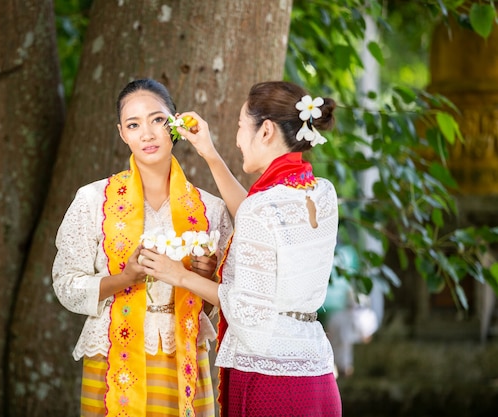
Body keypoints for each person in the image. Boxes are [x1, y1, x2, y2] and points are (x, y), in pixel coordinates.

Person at [139, 81, 342, 416]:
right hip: (316, 375)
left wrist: (178, 275)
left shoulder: (263, 208)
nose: (236, 139)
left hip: (270, 381)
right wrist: (210, 153)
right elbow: (259, 217)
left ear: (265, 131)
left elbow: (248, 311)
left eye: (238, 127)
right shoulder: (321, 193)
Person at [52, 78, 233, 417]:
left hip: (185, 356)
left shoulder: (211, 210)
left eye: (158, 120)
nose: (147, 134)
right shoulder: (93, 201)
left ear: (176, 124)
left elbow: (230, 303)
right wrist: (126, 277)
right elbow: (66, 285)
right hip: (111, 358)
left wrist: (204, 278)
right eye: (134, 125)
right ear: (122, 133)